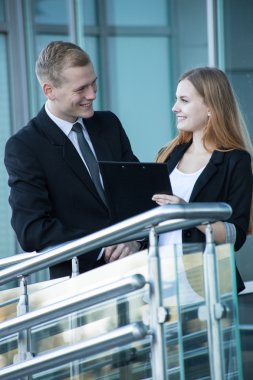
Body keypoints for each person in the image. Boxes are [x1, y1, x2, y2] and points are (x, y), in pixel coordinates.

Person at [4, 41, 142, 279]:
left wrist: (136, 241)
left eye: (93, 83)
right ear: (50, 91)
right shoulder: (25, 146)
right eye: (81, 89)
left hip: (138, 271)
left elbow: (137, 192)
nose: (92, 94)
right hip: (80, 285)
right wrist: (100, 246)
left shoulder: (109, 124)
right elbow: (32, 230)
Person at [152, 66, 253, 293]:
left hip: (206, 286)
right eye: (176, 99)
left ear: (210, 107)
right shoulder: (167, 155)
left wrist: (187, 212)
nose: (174, 107)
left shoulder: (235, 161)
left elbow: (234, 236)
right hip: (160, 282)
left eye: (184, 100)